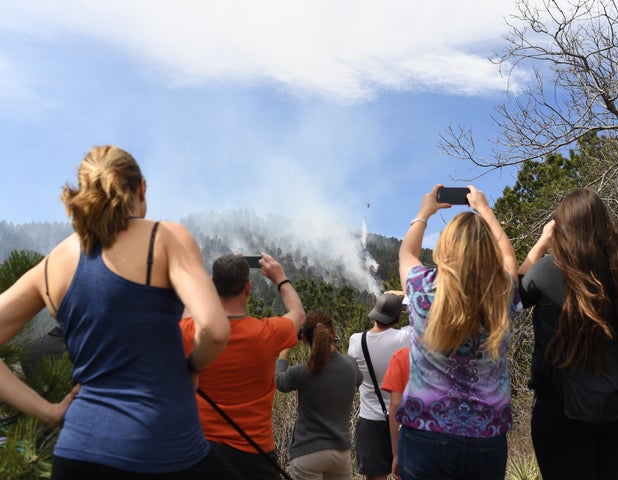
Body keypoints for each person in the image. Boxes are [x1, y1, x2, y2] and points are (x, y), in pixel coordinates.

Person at [0, 146, 241, 479]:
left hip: (76, 456)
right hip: (165, 450)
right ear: (141, 188)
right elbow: (215, 329)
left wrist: (49, 412)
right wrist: (193, 368)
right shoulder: (165, 237)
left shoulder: (53, 264)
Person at [520, 188, 618, 480]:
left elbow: (514, 295)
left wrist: (541, 243)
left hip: (562, 410)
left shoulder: (545, 273)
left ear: (560, 228)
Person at [396, 184, 521, 480]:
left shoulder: (423, 288)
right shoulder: (501, 293)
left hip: (424, 430)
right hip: (487, 436)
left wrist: (423, 213)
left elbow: (405, 253)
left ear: (444, 247)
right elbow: (509, 261)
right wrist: (485, 212)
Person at [180, 253, 305, 479]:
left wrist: (210, 282)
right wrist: (281, 279)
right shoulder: (267, 334)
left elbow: (188, 309)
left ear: (214, 288)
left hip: (202, 449)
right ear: (247, 288)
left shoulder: (190, 331)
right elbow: (298, 314)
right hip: (255, 453)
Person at [275, 310, 363, 480]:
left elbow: (279, 382)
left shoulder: (302, 371)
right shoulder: (350, 365)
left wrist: (284, 349)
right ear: (334, 334)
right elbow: (358, 380)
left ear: (304, 339)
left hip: (307, 452)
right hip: (340, 451)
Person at [347, 291, 410, 480]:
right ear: (398, 317)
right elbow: (428, 316)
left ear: (374, 313)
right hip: (402, 419)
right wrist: (406, 297)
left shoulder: (357, 341)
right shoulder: (404, 337)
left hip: (370, 420)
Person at [380, 346, 409, 480]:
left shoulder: (404, 356)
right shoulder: (480, 355)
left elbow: (396, 405)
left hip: (418, 442)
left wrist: (396, 453)